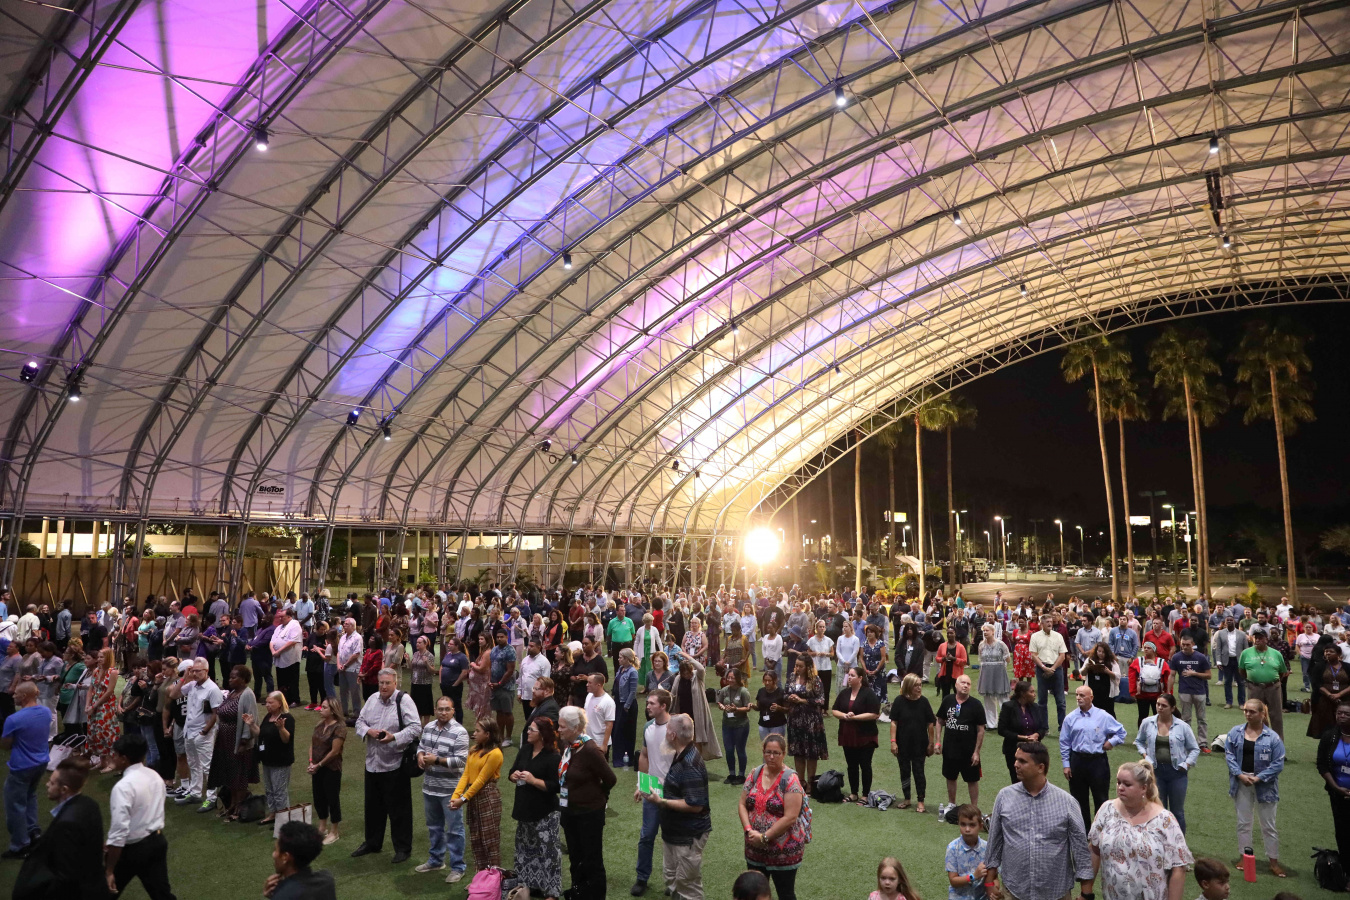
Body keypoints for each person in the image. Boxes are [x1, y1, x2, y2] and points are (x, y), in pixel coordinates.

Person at [985, 741, 1093, 900]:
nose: (1015, 764)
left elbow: (1080, 849)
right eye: (1016, 759)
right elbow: (994, 842)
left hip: (1056, 892)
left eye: (1022, 761)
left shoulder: (1067, 802)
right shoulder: (1004, 797)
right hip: (1014, 891)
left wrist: (1086, 893)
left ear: (1040, 767)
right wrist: (989, 881)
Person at [1087, 760, 1192, 900]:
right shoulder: (1107, 810)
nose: (1120, 787)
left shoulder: (1165, 820)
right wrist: (1086, 892)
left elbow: (1178, 869)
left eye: (1127, 784)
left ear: (1143, 788)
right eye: (1118, 782)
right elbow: (1094, 850)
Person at [351, 668, 423, 863]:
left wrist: (394, 737)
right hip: (372, 763)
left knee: (399, 810)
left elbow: (415, 727)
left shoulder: (404, 700)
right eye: (381, 683)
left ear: (395, 683)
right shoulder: (372, 699)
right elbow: (359, 721)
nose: (383, 686)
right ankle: (372, 842)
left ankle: (403, 848)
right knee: (372, 807)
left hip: (395, 764)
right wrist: (368, 731)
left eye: (387, 683)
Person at [639, 712, 712, 900]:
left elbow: (695, 805)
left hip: (687, 835)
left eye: (667, 730)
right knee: (672, 877)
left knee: (688, 885)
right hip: (674, 831)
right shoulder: (680, 755)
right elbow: (676, 787)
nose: (665, 734)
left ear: (673, 735)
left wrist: (661, 801)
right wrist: (649, 787)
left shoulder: (690, 764)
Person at [11, 756, 104, 900]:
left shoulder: (66, 824)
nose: (47, 784)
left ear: (64, 789)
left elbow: (66, 876)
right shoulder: (90, 804)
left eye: (52, 782)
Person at [103, 731, 176, 900]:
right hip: (157, 842)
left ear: (124, 758)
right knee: (162, 895)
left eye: (115, 755)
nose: (113, 758)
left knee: (104, 892)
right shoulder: (155, 776)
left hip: (132, 850)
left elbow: (119, 830)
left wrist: (109, 870)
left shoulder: (123, 787)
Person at [557, 705, 617, 900]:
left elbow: (610, 779)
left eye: (562, 727)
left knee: (592, 860)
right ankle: (578, 893)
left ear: (575, 728)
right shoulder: (569, 747)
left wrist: (599, 797)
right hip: (570, 812)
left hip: (589, 814)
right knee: (576, 858)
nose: (559, 730)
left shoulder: (590, 750)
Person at [738, 733, 807, 900]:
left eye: (776, 753)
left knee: (785, 894)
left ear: (784, 754)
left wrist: (764, 837)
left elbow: (791, 817)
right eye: (768, 752)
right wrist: (748, 830)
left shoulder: (791, 779)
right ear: (763, 752)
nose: (771, 756)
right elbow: (742, 804)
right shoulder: (755, 773)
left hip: (784, 852)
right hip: (754, 847)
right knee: (754, 894)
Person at [1223, 698, 1285, 877]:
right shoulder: (1235, 732)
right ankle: (1244, 857)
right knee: (1243, 823)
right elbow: (1229, 755)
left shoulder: (1273, 737)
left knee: (1269, 825)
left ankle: (1273, 861)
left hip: (1265, 786)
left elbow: (1278, 763)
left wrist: (1259, 778)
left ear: (1262, 714)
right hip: (1241, 782)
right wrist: (1240, 774)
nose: (1248, 714)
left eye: (1252, 711)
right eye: (1246, 711)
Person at [414, 695, 469, 878]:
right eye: (440, 709)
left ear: (453, 711)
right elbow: (421, 747)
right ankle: (436, 860)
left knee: (454, 830)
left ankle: (458, 867)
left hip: (451, 790)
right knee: (434, 827)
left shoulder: (460, 732)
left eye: (447, 709)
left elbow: (461, 761)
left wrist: (436, 760)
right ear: (435, 710)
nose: (443, 712)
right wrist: (420, 756)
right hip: (430, 787)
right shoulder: (428, 727)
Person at [508, 715, 562, 899]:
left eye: (532, 730)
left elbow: (555, 786)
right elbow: (511, 771)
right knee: (525, 852)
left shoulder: (553, 757)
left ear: (542, 734)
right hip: (525, 810)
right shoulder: (525, 749)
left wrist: (533, 780)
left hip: (545, 813)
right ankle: (529, 887)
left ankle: (552, 893)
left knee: (549, 854)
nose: (528, 732)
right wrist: (513, 776)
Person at [1059, 685, 1127, 829]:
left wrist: (1111, 742)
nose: (1078, 698)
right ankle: (1082, 832)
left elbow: (1121, 732)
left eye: (1082, 695)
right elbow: (1064, 742)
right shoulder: (1070, 718)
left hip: (1098, 762)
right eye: (1077, 695)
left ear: (1091, 698)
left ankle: (1101, 831)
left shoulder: (1103, 716)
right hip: (1077, 760)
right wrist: (1066, 764)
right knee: (1078, 800)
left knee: (1101, 799)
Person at [1132, 693, 1199, 833]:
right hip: (1155, 772)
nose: (1160, 708)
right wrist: (1145, 756)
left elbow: (1194, 749)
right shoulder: (1147, 722)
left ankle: (1179, 843)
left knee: (1177, 812)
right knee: (1157, 809)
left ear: (1172, 708)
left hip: (1177, 773)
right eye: (1158, 704)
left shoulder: (1183, 726)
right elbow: (1139, 741)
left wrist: (1186, 764)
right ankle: (1158, 841)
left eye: (1164, 705)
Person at [633, 687, 675, 896]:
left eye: (651, 703)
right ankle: (642, 878)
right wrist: (641, 785)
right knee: (647, 835)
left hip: (673, 793)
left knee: (672, 839)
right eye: (648, 702)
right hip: (652, 789)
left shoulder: (676, 727)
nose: (647, 706)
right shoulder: (648, 727)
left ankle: (673, 881)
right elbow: (644, 755)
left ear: (663, 706)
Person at [1, 683, 51, 858]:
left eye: (16, 694)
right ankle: (33, 831)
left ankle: (20, 845)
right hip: (41, 762)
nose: (13, 696)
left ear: (24, 696)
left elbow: (5, 745)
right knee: (30, 796)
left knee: (15, 804)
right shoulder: (46, 712)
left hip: (21, 766)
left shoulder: (13, 719)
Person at [169, 655, 224, 811]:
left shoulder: (212, 689)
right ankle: (195, 792)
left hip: (202, 733)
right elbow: (173, 695)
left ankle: (212, 798)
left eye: (198, 671)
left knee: (207, 766)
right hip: (189, 731)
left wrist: (204, 731)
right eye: (193, 671)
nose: (194, 674)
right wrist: (184, 677)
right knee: (193, 764)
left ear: (206, 671)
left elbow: (216, 713)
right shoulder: (192, 685)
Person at [206, 665, 259, 821]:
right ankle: (232, 804)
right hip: (224, 741)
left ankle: (239, 807)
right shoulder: (232, 694)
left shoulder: (247, 694)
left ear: (243, 679)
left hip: (238, 743)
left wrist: (244, 740)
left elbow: (250, 718)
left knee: (239, 776)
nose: (230, 680)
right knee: (230, 775)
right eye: (230, 677)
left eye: (234, 677)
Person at [450, 717, 504, 871]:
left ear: (487, 734)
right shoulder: (473, 750)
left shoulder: (495, 754)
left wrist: (463, 799)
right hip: (474, 796)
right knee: (476, 839)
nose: (474, 733)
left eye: (477, 731)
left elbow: (481, 780)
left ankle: (493, 878)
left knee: (489, 840)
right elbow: (466, 775)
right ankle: (481, 876)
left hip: (487, 796)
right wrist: (455, 797)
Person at [831, 665, 881, 803]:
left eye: (852, 675)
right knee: (851, 765)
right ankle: (854, 793)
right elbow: (834, 710)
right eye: (849, 675)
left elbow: (874, 714)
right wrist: (844, 715)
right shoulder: (844, 693)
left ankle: (865, 794)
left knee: (865, 765)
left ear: (860, 678)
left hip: (866, 736)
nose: (849, 678)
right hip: (848, 735)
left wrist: (855, 717)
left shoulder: (868, 693)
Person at [1316, 698, 1350, 889]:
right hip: (1337, 795)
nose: (1342, 716)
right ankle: (1347, 874)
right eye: (1339, 713)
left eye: (1346, 714)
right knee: (1343, 834)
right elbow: (1322, 765)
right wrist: (1336, 787)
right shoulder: (1329, 736)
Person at [890, 673, 937, 811]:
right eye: (916, 685)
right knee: (904, 772)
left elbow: (930, 724)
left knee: (919, 772)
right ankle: (907, 798)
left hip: (919, 744)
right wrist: (893, 741)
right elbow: (893, 722)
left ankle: (921, 801)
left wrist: (931, 743)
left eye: (920, 685)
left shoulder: (924, 702)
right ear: (908, 686)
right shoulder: (899, 701)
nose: (919, 688)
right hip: (902, 743)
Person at [248, 690, 296, 826]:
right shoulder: (268, 717)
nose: (267, 705)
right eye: (266, 703)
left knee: (279, 792)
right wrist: (251, 724)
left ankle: (284, 821)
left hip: (280, 761)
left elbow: (286, 739)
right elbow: (261, 733)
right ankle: (273, 814)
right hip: (267, 760)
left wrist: (281, 728)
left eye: (270, 702)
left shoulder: (287, 718)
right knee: (269, 790)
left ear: (279, 703)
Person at [784, 655, 828, 791]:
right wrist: (790, 697)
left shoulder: (815, 680)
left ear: (807, 667)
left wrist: (802, 700)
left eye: (800, 666)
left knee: (811, 753)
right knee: (798, 751)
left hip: (811, 721)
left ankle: (810, 783)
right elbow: (784, 693)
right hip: (795, 720)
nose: (797, 668)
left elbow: (821, 700)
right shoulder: (792, 677)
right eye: (796, 665)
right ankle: (800, 781)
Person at [265, 821, 337, 900]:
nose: (273, 855)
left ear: (285, 857)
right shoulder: (326, 879)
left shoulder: (283, 895)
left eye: (275, 850)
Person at [308, 696, 346, 845]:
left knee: (332, 798)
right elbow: (312, 744)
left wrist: (319, 764)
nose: (320, 709)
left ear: (333, 710)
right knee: (318, 797)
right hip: (317, 767)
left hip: (331, 768)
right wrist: (311, 762)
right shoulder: (319, 725)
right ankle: (322, 827)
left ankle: (334, 831)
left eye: (324, 707)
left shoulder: (339, 727)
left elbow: (335, 751)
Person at [1238, 629, 1288, 740]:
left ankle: (1278, 743)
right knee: (1254, 715)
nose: (1257, 640)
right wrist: (1253, 680)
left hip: (1273, 687)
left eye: (1260, 638)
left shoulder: (1276, 654)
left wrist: (1271, 681)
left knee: (1276, 716)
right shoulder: (1245, 653)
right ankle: (1257, 741)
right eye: (1255, 637)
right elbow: (1242, 671)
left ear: (1266, 639)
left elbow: (1282, 672)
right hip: (1254, 687)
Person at [669, 654, 721, 761]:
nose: (686, 675)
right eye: (684, 673)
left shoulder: (698, 676)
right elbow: (673, 694)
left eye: (688, 672)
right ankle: (685, 764)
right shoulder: (678, 678)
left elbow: (701, 668)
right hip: (682, 714)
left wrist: (688, 658)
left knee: (697, 741)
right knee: (683, 741)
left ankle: (697, 764)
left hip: (696, 714)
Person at [996, 681, 1045, 785]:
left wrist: (1037, 735)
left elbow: (1042, 728)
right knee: (1017, 781)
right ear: (1023, 694)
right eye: (1031, 692)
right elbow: (1002, 730)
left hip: (1034, 750)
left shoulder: (1035, 707)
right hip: (1013, 750)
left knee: (1034, 779)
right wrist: (1022, 738)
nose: (1034, 694)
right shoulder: (1008, 707)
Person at [1028, 616, 1068, 733]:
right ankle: (1044, 728)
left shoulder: (1058, 636)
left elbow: (1062, 655)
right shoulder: (1035, 636)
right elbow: (1033, 655)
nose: (1050, 623)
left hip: (1056, 669)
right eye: (1047, 622)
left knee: (1060, 701)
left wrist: (1053, 669)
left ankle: (1062, 727)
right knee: (1042, 700)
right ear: (1042, 623)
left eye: (1051, 621)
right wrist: (1044, 668)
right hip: (1042, 669)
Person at [1170, 635, 1211, 747]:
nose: (1185, 647)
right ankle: (1185, 742)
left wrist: (1194, 673)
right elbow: (1172, 675)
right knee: (1185, 719)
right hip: (1184, 691)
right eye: (1183, 644)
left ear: (1193, 644)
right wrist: (1169, 692)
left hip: (1199, 692)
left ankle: (1202, 742)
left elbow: (1209, 675)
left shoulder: (1201, 657)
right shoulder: (1176, 657)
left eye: (1187, 645)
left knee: (1201, 719)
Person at [87, 647, 122, 772]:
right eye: (98, 657)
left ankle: (112, 762)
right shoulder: (96, 671)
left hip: (106, 705)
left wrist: (94, 705)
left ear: (108, 658)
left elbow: (109, 692)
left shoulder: (113, 672)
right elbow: (91, 689)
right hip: (94, 704)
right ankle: (102, 761)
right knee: (95, 731)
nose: (99, 659)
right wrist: (87, 705)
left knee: (107, 731)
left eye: (102, 657)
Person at [718, 669, 753, 784]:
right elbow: (719, 702)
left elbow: (748, 708)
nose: (730, 680)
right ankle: (732, 774)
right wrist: (721, 706)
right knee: (728, 750)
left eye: (732, 678)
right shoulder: (724, 690)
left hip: (740, 725)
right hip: (727, 724)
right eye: (728, 677)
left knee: (740, 749)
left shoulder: (743, 691)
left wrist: (736, 709)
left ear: (737, 678)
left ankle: (741, 775)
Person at [946, 805, 988, 900]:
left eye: (972, 825)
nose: (967, 829)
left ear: (980, 826)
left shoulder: (987, 847)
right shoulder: (952, 848)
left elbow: (993, 876)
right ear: (958, 824)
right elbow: (953, 880)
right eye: (963, 824)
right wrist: (974, 876)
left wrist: (994, 888)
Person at [1309, 642, 1350, 738]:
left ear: (1338, 654)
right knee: (1326, 727)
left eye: (1331, 651)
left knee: (1344, 724)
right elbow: (1316, 684)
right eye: (1326, 651)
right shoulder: (1319, 666)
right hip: (1324, 700)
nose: (1328, 653)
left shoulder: (1347, 667)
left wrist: (1339, 694)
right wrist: (1329, 695)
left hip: (1345, 700)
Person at [976, 625, 1010, 728]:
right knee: (988, 698)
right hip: (986, 672)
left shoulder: (1001, 644)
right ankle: (991, 724)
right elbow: (980, 659)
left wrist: (1000, 666)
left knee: (1003, 697)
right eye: (984, 631)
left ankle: (1006, 722)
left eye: (987, 630)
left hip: (999, 672)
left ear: (993, 632)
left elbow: (1008, 658)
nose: (985, 632)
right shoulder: (981, 644)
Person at [1128, 642, 1170, 725]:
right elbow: (1132, 677)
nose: (1146, 649)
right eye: (1145, 648)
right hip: (1142, 695)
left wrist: (1168, 692)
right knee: (1142, 716)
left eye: (1149, 648)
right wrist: (1132, 691)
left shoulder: (1162, 662)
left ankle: (1159, 731)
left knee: (1158, 716)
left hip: (1158, 695)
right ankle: (1142, 732)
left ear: (1154, 650)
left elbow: (1167, 678)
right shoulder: (1138, 661)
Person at [1211, 617, 1248, 709]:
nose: (1229, 622)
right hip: (1226, 661)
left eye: (1231, 620)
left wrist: (1246, 662)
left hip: (1239, 661)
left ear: (1234, 622)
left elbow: (1246, 649)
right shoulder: (1220, 633)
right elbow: (1218, 648)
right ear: (1225, 623)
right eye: (1227, 620)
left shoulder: (1242, 634)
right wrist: (1218, 661)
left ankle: (1242, 703)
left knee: (1241, 682)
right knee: (1227, 682)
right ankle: (1229, 702)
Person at [270, 608, 303, 708]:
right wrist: (273, 651)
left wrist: (278, 651)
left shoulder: (295, 625)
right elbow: (272, 641)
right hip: (279, 658)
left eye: (282, 617)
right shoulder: (279, 627)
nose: (280, 619)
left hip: (290, 658)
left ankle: (294, 700)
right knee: (281, 681)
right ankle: (283, 700)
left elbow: (292, 642)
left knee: (292, 680)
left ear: (289, 616)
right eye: (279, 617)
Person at [613, 647, 640, 768]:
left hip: (627, 705)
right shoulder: (620, 669)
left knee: (627, 731)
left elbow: (632, 692)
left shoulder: (632, 672)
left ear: (627, 659)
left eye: (621, 658)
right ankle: (618, 756)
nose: (618, 659)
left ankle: (628, 757)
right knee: (617, 730)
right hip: (618, 702)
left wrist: (626, 706)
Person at [1080, 643, 1120, 720]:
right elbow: (1082, 673)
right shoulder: (1089, 659)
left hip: (1106, 692)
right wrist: (1087, 668)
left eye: (1103, 652)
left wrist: (1108, 672)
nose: (1100, 654)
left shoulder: (1112, 662)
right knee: (1092, 711)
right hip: (1092, 690)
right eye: (1099, 651)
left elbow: (1117, 676)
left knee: (1108, 712)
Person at [337, 618, 364, 722]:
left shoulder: (357, 638)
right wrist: (339, 664)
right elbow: (339, 652)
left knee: (354, 691)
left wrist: (345, 665)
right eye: (344, 623)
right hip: (342, 667)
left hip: (353, 668)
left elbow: (356, 654)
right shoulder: (343, 637)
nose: (344, 625)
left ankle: (356, 712)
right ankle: (344, 710)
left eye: (347, 624)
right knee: (343, 691)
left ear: (353, 626)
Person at [755, 670, 787, 742]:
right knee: (765, 746)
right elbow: (758, 707)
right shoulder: (761, 691)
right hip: (763, 725)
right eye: (765, 680)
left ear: (775, 680)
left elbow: (787, 709)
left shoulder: (781, 692)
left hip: (777, 726)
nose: (767, 683)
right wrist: (752, 706)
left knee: (776, 746)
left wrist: (779, 708)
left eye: (769, 681)